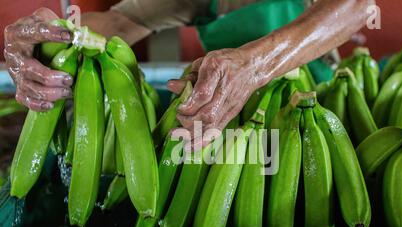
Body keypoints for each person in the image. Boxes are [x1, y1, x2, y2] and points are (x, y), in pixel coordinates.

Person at [4, 0, 374, 148]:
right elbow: (119, 22)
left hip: (318, 118)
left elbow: (358, 5)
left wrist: (255, 65)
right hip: (222, 128)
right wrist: (52, 37)